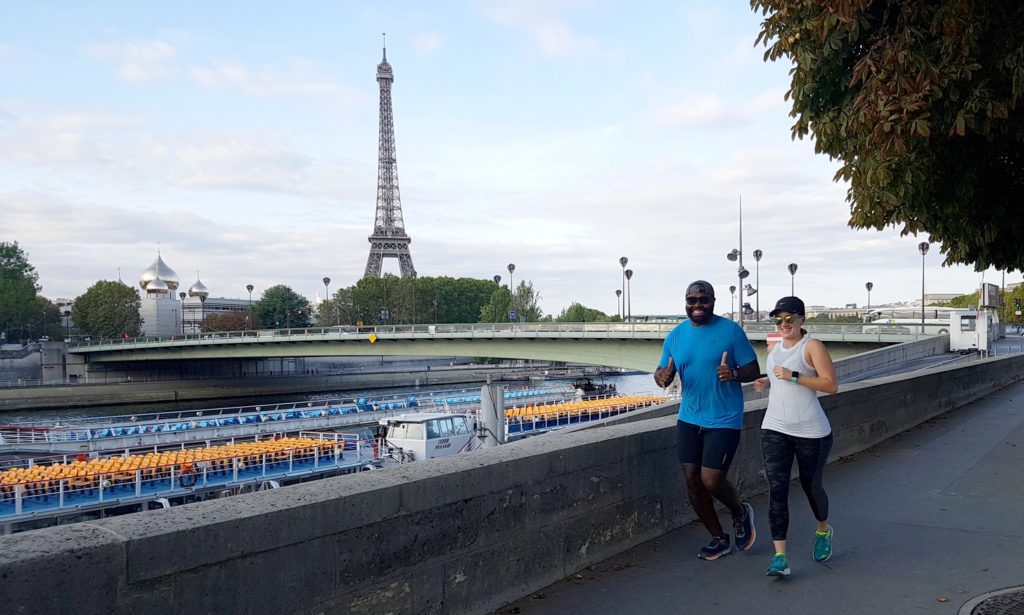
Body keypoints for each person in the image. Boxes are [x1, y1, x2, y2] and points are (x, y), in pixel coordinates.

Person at [654, 280, 760, 560]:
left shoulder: (730, 331)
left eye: (703, 300)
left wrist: (734, 374)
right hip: (689, 417)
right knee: (692, 480)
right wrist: (661, 377)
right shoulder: (676, 335)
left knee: (711, 480)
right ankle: (718, 538)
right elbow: (661, 368)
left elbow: (753, 369)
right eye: (692, 300)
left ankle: (739, 513)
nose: (697, 305)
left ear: (713, 301)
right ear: (685, 302)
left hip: (724, 418)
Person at [754, 296, 839, 577]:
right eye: (778, 319)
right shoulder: (775, 348)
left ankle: (823, 530)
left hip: (811, 431)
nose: (783, 324)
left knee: (810, 485)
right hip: (775, 426)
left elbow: (830, 385)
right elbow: (779, 378)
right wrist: (765, 381)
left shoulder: (812, 346)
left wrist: (794, 376)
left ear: (802, 319)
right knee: (776, 491)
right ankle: (780, 556)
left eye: (789, 318)